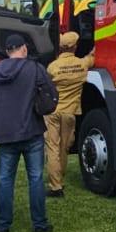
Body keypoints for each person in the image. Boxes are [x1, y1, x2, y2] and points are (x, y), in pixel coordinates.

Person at [0, 33, 56, 232]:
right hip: (32, 130)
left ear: (7, 51)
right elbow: (50, 92)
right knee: (36, 178)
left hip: (6, 131)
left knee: (5, 179)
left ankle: (3, 225)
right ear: (23, 48)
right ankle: (39, 223)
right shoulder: (35, 68)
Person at [43, 31, 94, 199]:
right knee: (64, 148)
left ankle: (55, 185)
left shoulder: (52, 66)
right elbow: (93, 56)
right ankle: (60, 179)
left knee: (52, 147)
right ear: (75, 47)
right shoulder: (82, 65)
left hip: (52, 112)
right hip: (70, 114)